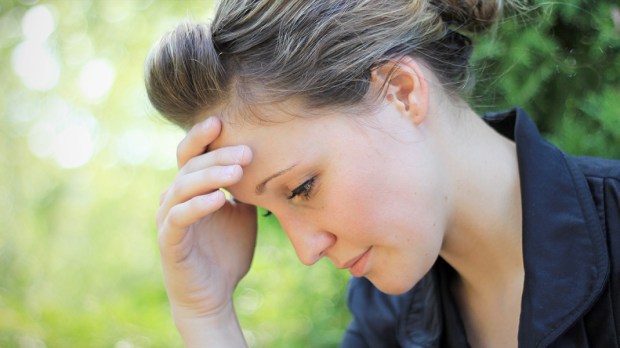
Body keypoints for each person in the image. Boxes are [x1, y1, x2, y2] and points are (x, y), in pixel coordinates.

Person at [144, 0, 620, 347]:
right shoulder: (386, 318)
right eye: (269, 214)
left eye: (302, 188)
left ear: (401, 92)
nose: (307, 252)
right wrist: (208, 316)